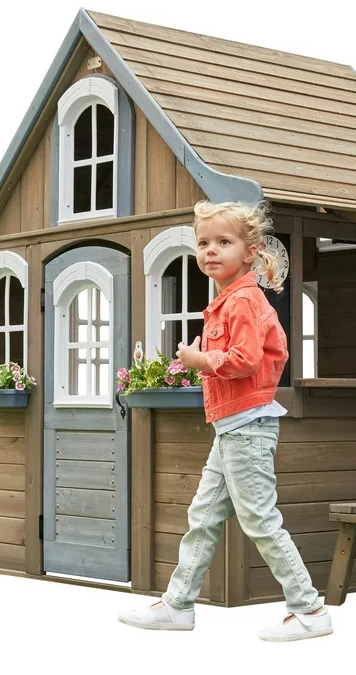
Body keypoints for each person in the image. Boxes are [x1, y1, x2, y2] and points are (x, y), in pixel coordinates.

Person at [118, 200, 332, 641]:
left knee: (259, 519)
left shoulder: (243, 301)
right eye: (203, 243)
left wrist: (199, 360)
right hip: (232, 429)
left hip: (247, 428)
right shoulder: (227, 302)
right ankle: (178, 604)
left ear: (249, 252)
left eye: (223, 242)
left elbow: (246, 359)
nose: (210, 250)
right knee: (203, 516)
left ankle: (310, 608)